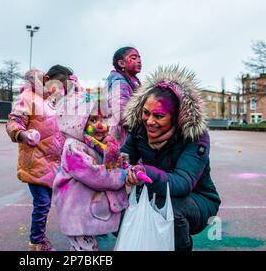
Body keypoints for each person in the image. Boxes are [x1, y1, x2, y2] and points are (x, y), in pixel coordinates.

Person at [120, 65, 221, 251]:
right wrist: (118, 162)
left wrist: (145, 172)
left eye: (159, 116)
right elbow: (125, 157)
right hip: (155, 191)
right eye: (146, 113)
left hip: (197, 199)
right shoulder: (139, 129)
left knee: (168, 210)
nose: (149, 121)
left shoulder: (195, 136)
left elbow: (183, 183)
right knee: (119, 207)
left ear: (176, 117)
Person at [6, 65, 74, 251]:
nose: (61, 90)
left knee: (49, 203)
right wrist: (23, 134)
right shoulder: (28, 98)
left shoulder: (56, 102)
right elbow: (14, 121)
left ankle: (40, 238)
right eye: (59, 85)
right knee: (42, 204)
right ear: (47, 80)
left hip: (54, 163)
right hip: (35, 161)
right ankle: (36, 242)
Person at [53, 92, 133, 251]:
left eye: (103, 119)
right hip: (76, 212)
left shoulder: (93, 144)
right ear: (76, 121)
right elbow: (96, 175)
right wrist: (122, 175)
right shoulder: (73, 148)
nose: (100, 125)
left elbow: (106, 163)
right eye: (93, 120)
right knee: (84, 249)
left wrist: (121, 161)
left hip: (86, 211)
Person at [106, 46, 142, 147]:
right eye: (134, 58)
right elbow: (120, 112)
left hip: (132, 130)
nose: (139, 61)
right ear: (121, 63)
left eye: (139, 58)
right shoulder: (119, 82)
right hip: (123, 133)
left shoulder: (132, 80)